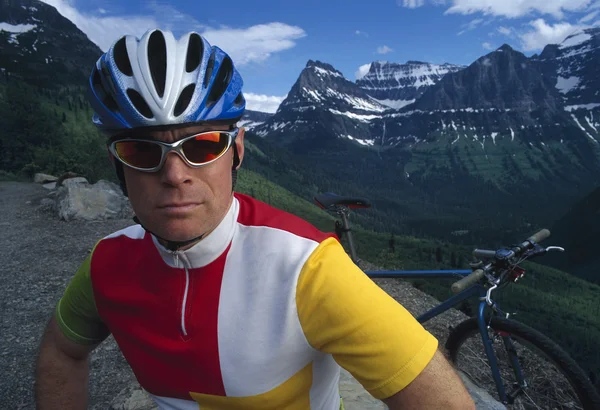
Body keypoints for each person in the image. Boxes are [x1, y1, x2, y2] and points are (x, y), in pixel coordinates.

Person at [34, 29, 475, 410]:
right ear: (118, 166)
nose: (174, 175)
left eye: (203, 145)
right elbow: (61, 350)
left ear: (237, 150)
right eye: (141, 151)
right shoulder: (106, 265)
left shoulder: (309, 269)